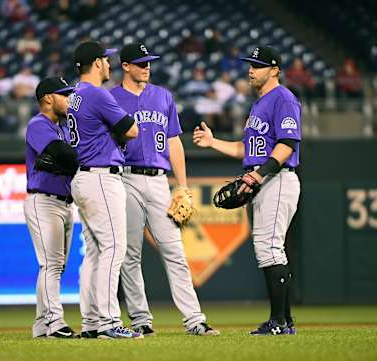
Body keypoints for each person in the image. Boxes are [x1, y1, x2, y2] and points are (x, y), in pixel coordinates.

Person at [110, 43, 220, 337]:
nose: (147, 67)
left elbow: (173, 142)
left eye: (149, 63)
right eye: (141, 63)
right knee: (130, 254)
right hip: (126, 178)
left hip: (159, 180)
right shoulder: (111, 98)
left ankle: (195, 320)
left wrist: (182, 186)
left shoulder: (162, 95)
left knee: (174, 250)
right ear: (125, 66)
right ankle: (140, 320)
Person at [193, 46, 301, 336]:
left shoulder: (283, 98)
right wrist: (214, 142)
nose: (251, 70)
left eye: (258, 65)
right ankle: (283, 321)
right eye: (250, 65)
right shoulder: (258, 103)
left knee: (269, 248)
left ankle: (280, 322)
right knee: (266, 248)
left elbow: (287, 143)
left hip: (277, 178)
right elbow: (246, 149)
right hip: (264, 179)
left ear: (275, 70)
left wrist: (259, 175)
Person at [67, 41, 141, 339]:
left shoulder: (74, 95)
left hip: (82, 177)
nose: (108, 64)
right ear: (96, 63)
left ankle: (91, 322)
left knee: (95, 253)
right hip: (100, 176)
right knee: (113, 248)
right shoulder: (96, 93)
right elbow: (132, 129)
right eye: (105, 59)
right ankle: (109, 322)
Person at [23, 76, 79, 338]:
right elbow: (65, 155)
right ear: (48, 98)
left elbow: (68, 159)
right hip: (43, 200)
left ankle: (41, 325)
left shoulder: (65, 128)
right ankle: (55, 323)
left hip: (65, 203)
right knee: (51, 265)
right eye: (64, 94)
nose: (69, 99)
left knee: (55, 266)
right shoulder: (38, 124)